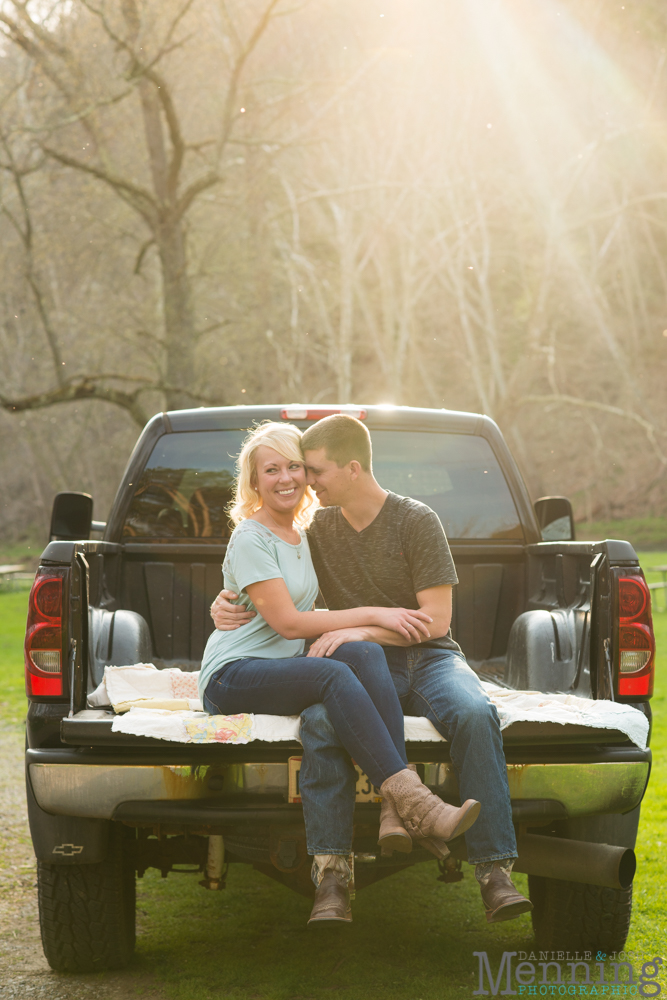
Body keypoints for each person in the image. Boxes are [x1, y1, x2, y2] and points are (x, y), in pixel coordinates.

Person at [211, 414, 533, 925]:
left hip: (428, 658)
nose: (304, 482)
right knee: (319, 724)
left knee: (474, 712)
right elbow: (271, 578)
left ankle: (495, 873)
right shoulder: (314, 529)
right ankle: (333, 876)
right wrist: (224, 604)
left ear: (352, 469)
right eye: (295, 470)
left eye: (312, 470)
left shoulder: (415, 520)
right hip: (359, 663)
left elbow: (436, 620)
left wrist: (362, 630)